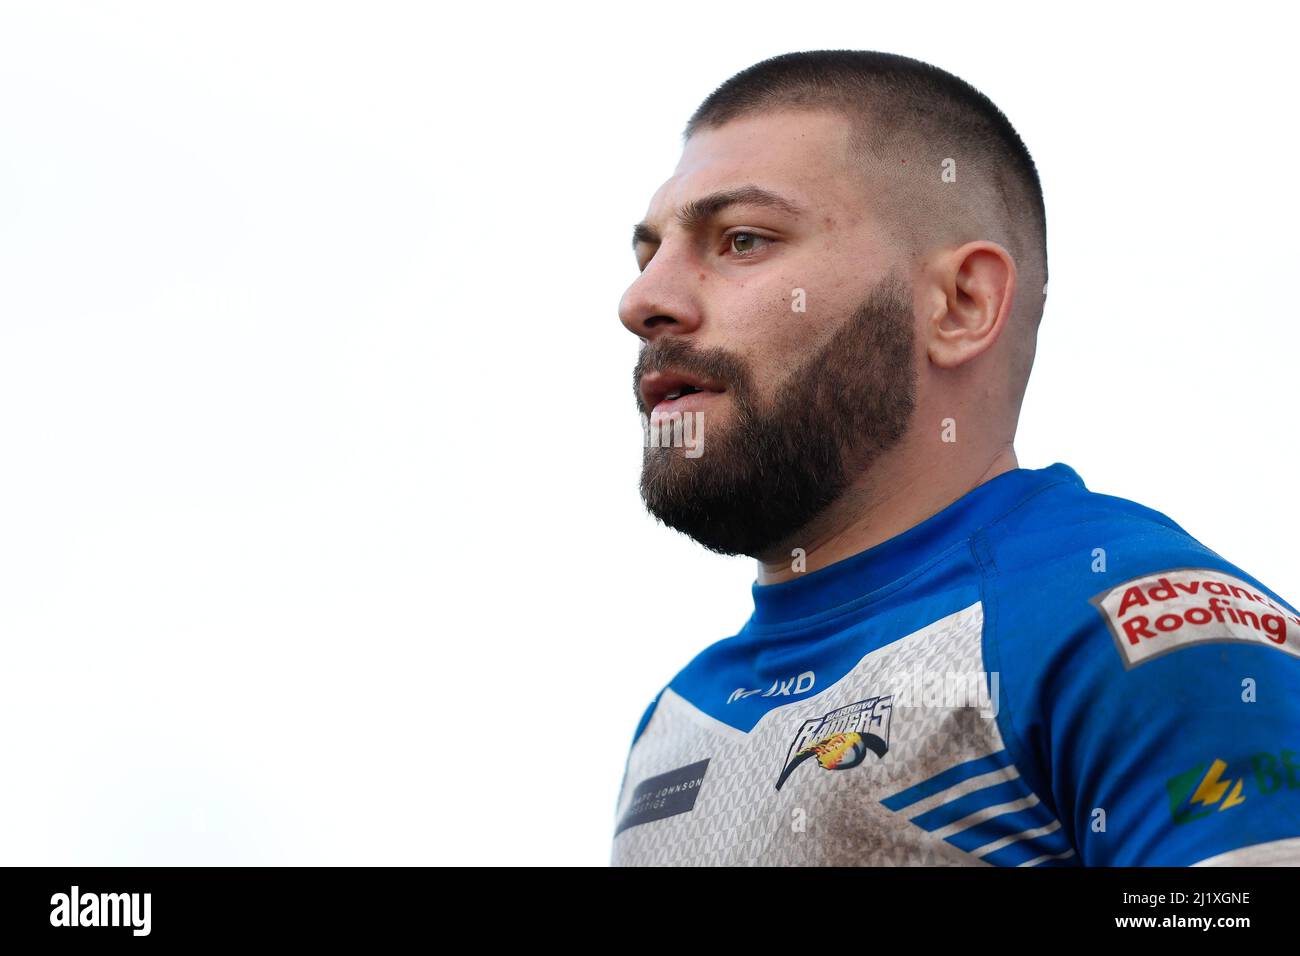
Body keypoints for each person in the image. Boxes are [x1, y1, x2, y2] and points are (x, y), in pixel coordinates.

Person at [611, 49, 1300, 866]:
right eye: (647, 254)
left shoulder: (1144, 622)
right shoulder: (676, 723)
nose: (643, 302)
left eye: (742, 240)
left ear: (961, 305)